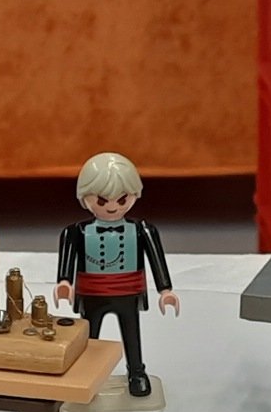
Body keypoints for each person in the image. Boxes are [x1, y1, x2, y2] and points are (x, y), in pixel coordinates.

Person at [54, 152, 180, 397]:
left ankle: (137, 372)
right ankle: (85, 374)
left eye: (122, 199)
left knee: (132, 333)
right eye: (102, 201)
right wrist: (64, 283)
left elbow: (156, 259)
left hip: (128, 291)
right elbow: (67, 262)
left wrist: (165, 289)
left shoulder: (142, 230)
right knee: (89, 337)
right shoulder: (75, 232)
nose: (112, 207)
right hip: (92, 292)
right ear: (85, 197)